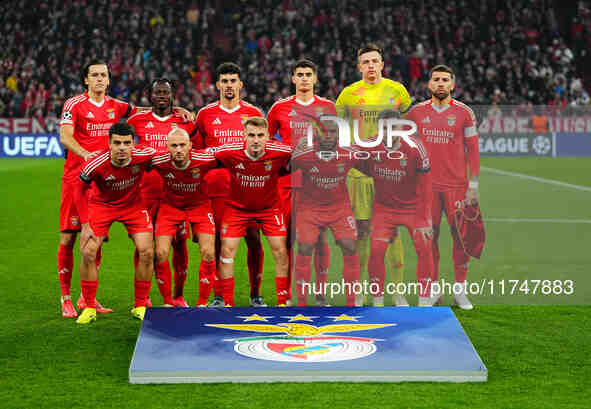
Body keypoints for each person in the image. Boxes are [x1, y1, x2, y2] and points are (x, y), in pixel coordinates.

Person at [336, 43, 412, 306]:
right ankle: (362, 290)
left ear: (382, 64)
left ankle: (397, 290)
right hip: (359, 174)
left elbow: (407, 126)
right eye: (365, 62)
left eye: (374, 61)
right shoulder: (348, 95)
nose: (370, 65)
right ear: (359, 67)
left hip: (389, 172)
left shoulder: (397, 91)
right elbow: (338, 132)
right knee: (363, 231)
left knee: (392, 232)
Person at [58, 60, 134, 317]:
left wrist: (176, 109)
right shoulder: (74, 104)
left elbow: (142, 111)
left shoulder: (117, 106)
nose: (100, 79)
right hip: (75, 180)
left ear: (109, 80)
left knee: (95, 240)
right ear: (86, 80)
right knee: (69, 238)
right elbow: (65, 136)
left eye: (104, 75)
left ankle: (86, 297)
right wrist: (85, 153)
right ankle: (65, 298)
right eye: (95, 75)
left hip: (100, 183)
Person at [406, 64, 480, 310]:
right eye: (436, 79)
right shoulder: (415, 113)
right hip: (425, 189)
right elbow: (408, 150)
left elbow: (473, 152)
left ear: (452, 85)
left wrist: (473, 185)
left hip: (457, 187)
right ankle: (432, 289)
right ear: (429, 84)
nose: (440, 83)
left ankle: (460, 291)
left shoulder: (464, 113)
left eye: (445, 80)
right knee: (429, 241)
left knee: (462, 239)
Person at [194, 62, 267, 307]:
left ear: (240, 84)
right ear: (217, 85)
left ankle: (256, 295)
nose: (228, 85)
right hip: (216, 187)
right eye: (224, 81)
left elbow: (263, 149)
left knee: (253, 238)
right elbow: (197, 152)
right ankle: (218, 295)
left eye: (233, 81)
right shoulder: (204, 115)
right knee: (217, 240)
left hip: (248, 185)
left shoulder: (254, 113)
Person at [267, 59, 335, 306]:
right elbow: (267, 142)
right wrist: (285, 154)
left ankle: (320, 294)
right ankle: (286, 295)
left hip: (317, 182)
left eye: (309, 74)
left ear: (315, 79)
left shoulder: (329, 108)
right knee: (286, 238)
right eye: (300, 75)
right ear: (293, 79)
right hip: (287, 181)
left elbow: (336, 142)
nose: (305, 79)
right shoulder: (279, 108)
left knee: (319, 239)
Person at [75, 123, 156, 324]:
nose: (122, 147)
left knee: (147, 251)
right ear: (109, 143)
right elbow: (78, 190)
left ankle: (140, 305)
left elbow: (167, 158)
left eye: (126, 143)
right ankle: (89, 307)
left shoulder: (145, 156)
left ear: (133, 144)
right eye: (117, 143)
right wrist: (85, 225)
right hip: (101, 206)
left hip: (133, 206)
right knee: (88, 251)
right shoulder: (96, 163)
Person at [127, 78, 198, 307]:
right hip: (146, 192)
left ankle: (177, 296)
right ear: (150, 96)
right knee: (144, 245)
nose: (161, 96)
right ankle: (144, 296)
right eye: (157, 92)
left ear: (172, 95)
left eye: (165, 92)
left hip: (175, 193)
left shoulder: (185, 120)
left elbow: (195, 151)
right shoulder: (136, 120)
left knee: (179, 243)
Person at [212, 117, 291, 306]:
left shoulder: (282, 152)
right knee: (227, 251)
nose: (256, 140)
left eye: (260, 135)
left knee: (280, 251)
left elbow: (305, 155)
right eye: (251, 135)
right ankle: (228, 304)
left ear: (268, 137)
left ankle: (282, 302)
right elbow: (201, 156)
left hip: (269, 209)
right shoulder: (228, 152)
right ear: (244, 136)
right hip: (237, 209)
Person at [361, 111, 437, 306]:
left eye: (393, 127)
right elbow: (344, 154)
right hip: (384, 209)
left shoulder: (415, 147)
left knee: (424, 247)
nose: (389, 132)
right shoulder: (368, 146)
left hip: (413, 208)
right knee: (376, 251)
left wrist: (426, 219)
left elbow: (426, 186)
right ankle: (377, 301)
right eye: (384, 128)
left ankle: (424, 300)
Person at [291, 120, 361, 306]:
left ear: (339, 135)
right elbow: (285, 169)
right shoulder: (303, 155)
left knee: (350, 246)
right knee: (305, 246)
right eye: (324, 132)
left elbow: (369, 166)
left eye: (333, 132)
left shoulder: (350, 153)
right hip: (309, 207)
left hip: (339, 207)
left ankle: (351, 304)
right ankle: (302, 303)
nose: (328, 136)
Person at [150, 128, 217, 307]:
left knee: (209, 252)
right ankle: (168, 302)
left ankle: (202, 304)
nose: (178, 150)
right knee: (161, 252)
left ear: (190, 146)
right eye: (174, 146)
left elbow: (229, 155)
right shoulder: (159, 160)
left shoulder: (204, 159)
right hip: (170, 207)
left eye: (182, 145)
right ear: (167, 147)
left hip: (199, 206)